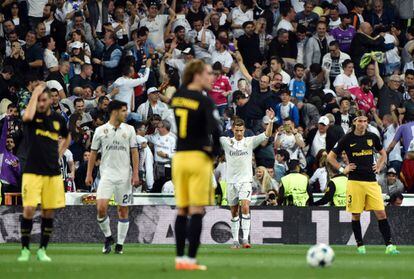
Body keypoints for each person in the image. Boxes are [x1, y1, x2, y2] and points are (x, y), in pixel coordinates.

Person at [170, 59, 221, 271]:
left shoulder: (177, 97)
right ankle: (190, 261)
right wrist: (215, 151)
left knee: (182, 210)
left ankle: (179, 259)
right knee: (197, 210)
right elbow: (215, 130)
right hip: (198, 157)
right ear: (197, 75)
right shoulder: (205, 101)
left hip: (179, 157)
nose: (212, 77)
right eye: (208, 73)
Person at [327, 112, 400, 255]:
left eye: (365, 121)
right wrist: (343, 168)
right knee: (356, 215)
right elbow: (330, 157)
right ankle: (360, 246)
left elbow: (383, 153)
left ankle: (389, 246)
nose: (363, 124)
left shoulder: (372, 137)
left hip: (371, 182)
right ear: (354, 122)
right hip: (354, 181)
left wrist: (379, 166)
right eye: (360, 121)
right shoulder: (347, 138)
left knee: (381, 213)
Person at [17, 83, 70, 262]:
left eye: (44, 100)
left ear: (51, 100)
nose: (41, 103)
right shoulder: (32, 118)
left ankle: (42, 250)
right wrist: (36, 92)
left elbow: (67, 136)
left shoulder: (58, 119)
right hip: (32, 171)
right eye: (39, 100)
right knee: (29, 208)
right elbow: (26, 116)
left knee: (48, 212)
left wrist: (59, 153)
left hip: (52, 173)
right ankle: (25, 250)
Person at [85, 100, 139, 255]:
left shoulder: (129, 129)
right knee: (101, 208)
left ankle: (120, 245)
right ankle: (108, 237)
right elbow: (93, 153)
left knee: (123, 210)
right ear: (114, 112)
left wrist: (135, 174)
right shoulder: (100, 130)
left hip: (124, 176)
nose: (126, 113)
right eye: (123, 110)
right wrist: (89, 174)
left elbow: (134, 152)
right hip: (106, 175)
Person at [220, 110, 274, 249]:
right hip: (231, 181)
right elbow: (216, 137)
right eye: (237, 130)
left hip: (245, 180)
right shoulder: (226, 141)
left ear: (244, 130)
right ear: (232, 129)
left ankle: (245, 239)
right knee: (233, 211)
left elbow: (267, 134)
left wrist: (271, 121)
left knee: (245, 206)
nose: (239, 133)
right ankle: (235, 240)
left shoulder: (249, 141)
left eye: (241, 130)